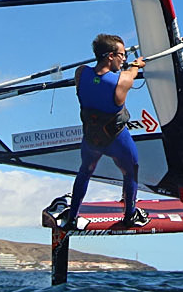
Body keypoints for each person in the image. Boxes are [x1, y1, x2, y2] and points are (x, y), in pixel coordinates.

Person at [56, 34, 150, 229]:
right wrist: (136, 64)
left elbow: (98, 79)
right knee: (131, 172)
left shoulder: (80, 73)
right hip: (116, 140)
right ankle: (130, 215)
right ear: (110, 56)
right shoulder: (121, 81)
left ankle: (73, 217)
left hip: (91, 140)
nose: (124, 58)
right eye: (121, 55)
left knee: (85, 171)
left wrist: (119, 67)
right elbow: (130, 73)